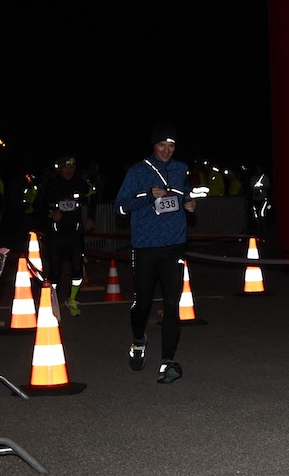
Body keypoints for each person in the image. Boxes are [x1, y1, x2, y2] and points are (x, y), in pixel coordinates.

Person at [115, 123, 197, 384]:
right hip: (145, 246)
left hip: (174, 245)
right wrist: (147, 196)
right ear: (154, 145)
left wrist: (188, 203)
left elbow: (182, 195)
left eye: (171, 145)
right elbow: (120, 208)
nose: (167, 150)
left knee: (172, 305)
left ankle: (167, 362)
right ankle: (139, 340)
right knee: (143, 303)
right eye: (162, 145)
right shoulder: (138, 171)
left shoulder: (180, 168)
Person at [38, 155, 96, 316]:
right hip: (56, 234)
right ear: (59, 169)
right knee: (55, 270)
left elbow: (92, 197)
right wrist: (51, 213)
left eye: (72, 167)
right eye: (65, 167)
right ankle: (52, 300)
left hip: (75, 233)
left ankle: (72, 299)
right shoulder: (50, 185)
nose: (69, 170)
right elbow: (38, 205)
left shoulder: (80, 183)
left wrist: (91, 217)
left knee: (77, 268)